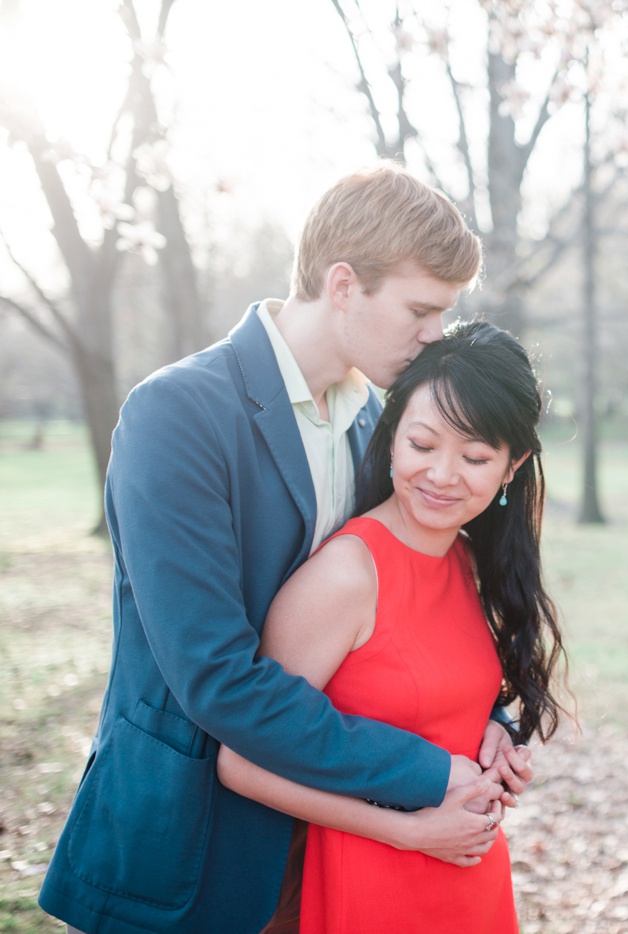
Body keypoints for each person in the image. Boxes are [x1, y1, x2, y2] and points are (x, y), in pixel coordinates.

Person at [39, 163, 531, 934]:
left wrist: (486, 722)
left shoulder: (381, 426)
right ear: (344, 286)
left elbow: (410, 610)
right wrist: (430, 771)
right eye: (421, 309)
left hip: (337, 849)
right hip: (187, 846)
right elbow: (218, 679)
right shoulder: (178, 415)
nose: (436, 335)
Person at [218, 321, 568, 932]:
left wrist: (495, 735)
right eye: (423, 444)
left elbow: (424, 698)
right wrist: (409, 832)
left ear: (512, 468)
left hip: (468, 877)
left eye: (476, 457)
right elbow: (241, 762)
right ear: (392, 434)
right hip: (368, 881)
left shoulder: (465, 559)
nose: (441, 475)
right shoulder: (345, 576)